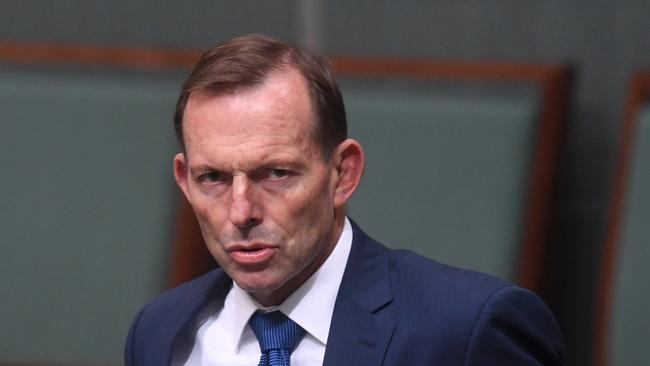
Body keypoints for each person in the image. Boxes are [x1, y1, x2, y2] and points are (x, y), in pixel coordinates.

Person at [125, 34, 566, 366]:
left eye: (275, 174)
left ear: (343, 173)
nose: (240, 213)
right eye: (214, 178)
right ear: (184, 180)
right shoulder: (160, 332)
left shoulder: (469, 329)